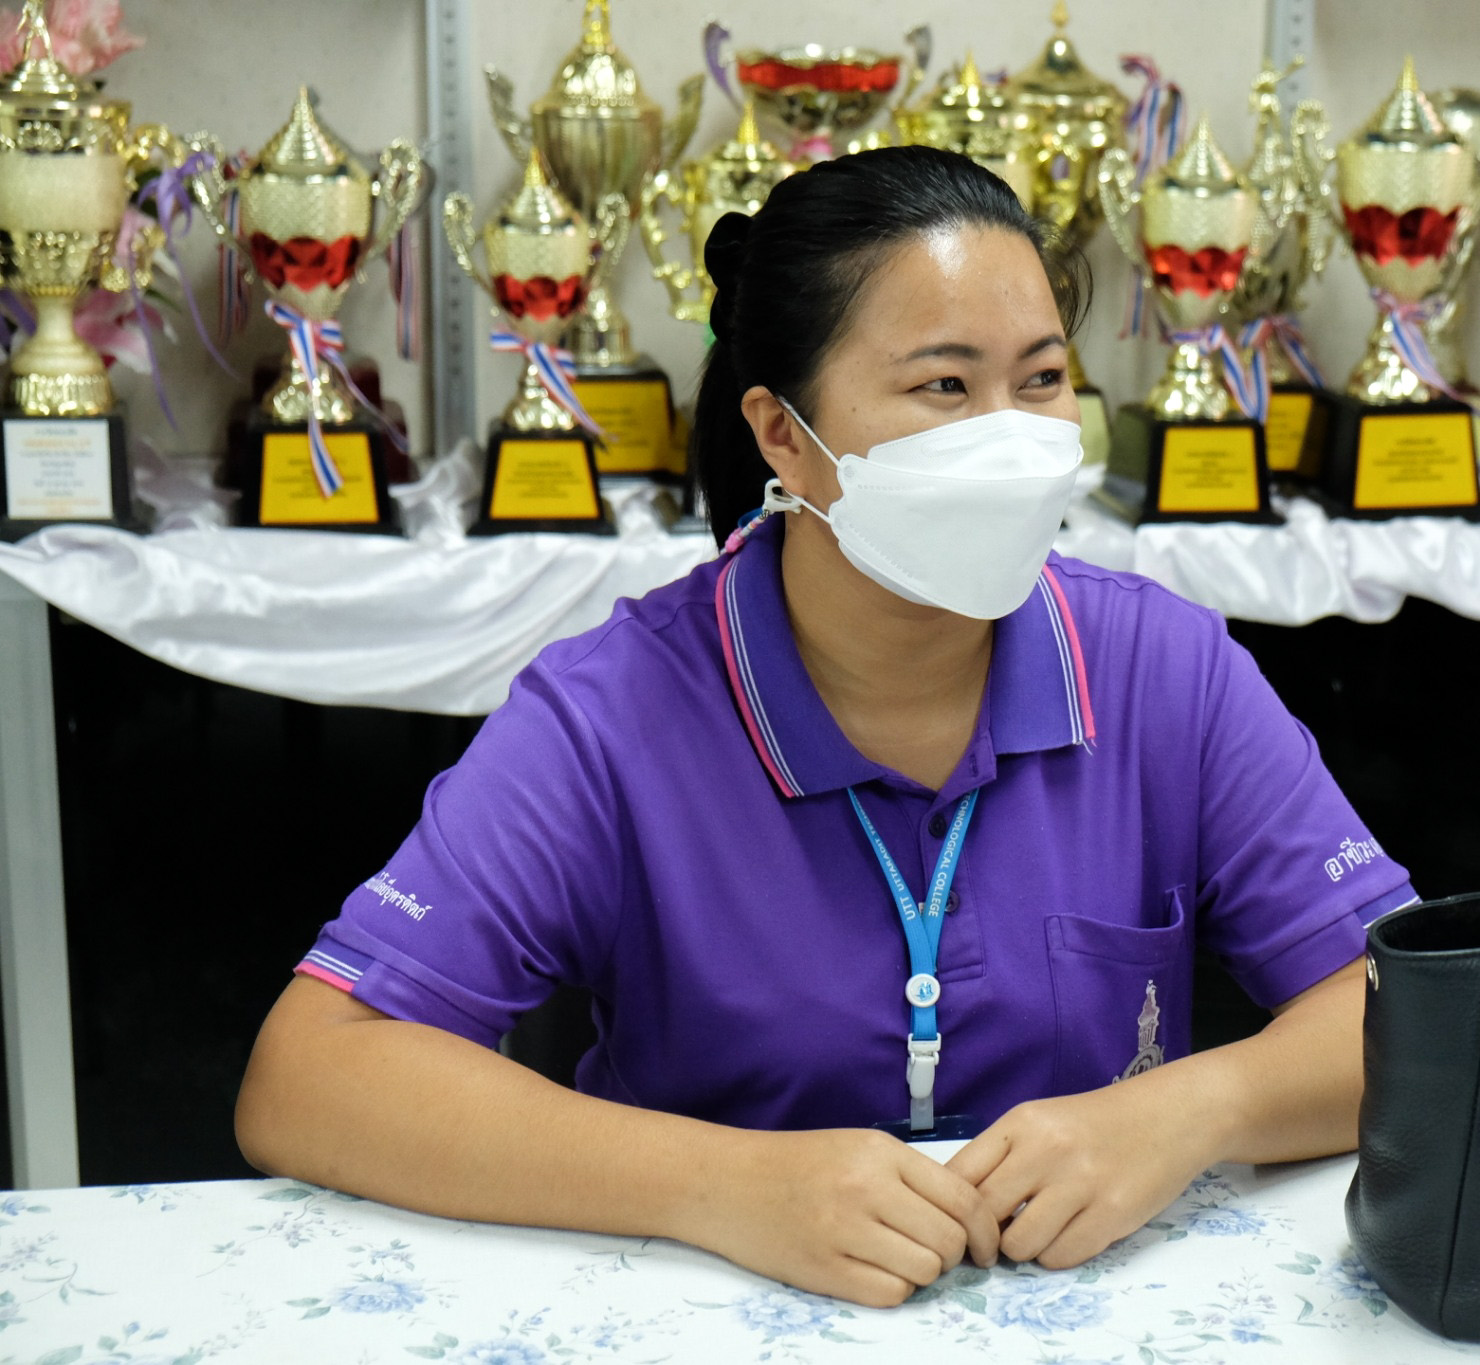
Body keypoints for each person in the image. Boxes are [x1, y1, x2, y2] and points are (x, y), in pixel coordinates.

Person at [236, 145, 1415, 1309]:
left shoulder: (1163, 670)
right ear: (783, 434)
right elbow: (313, 1075)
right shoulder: (610, 715)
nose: (1009, 439)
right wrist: (721, 1184)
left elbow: (1409, 1009)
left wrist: (1188, 1110)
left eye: (1042, 379)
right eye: (943, 387)